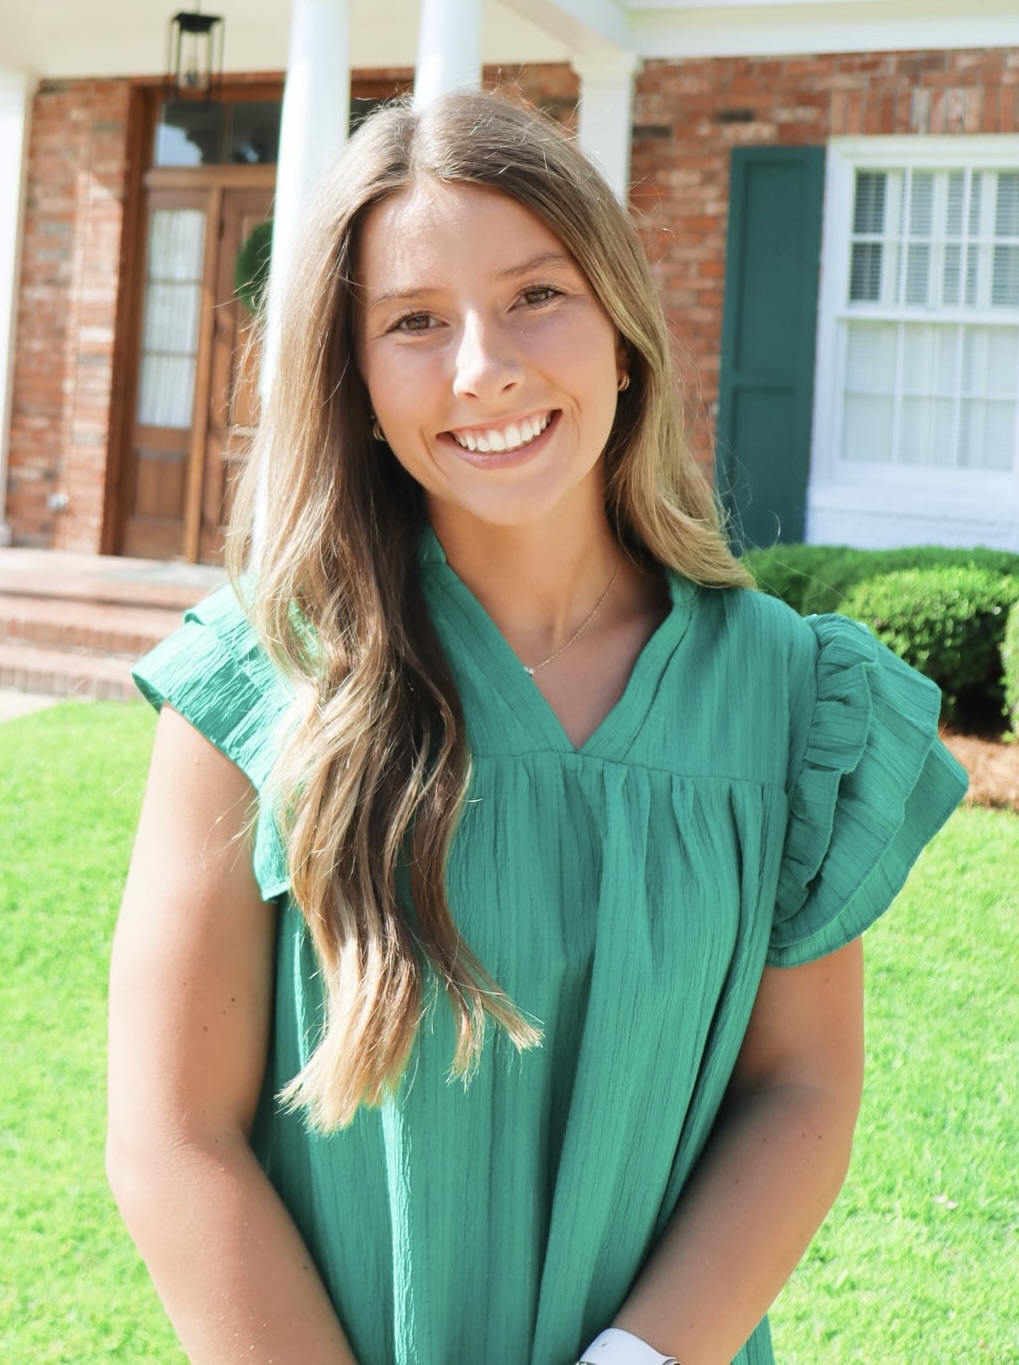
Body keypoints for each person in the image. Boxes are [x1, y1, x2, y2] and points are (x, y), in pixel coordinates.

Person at [106, 90, 968, 1365]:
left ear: (621, 331)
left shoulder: (795, 701)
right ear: (352, 378)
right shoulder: (261, 678)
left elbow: (798, 1089)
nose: (481, 366)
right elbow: (173, 1137)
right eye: (412, 321)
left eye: (534, 297)